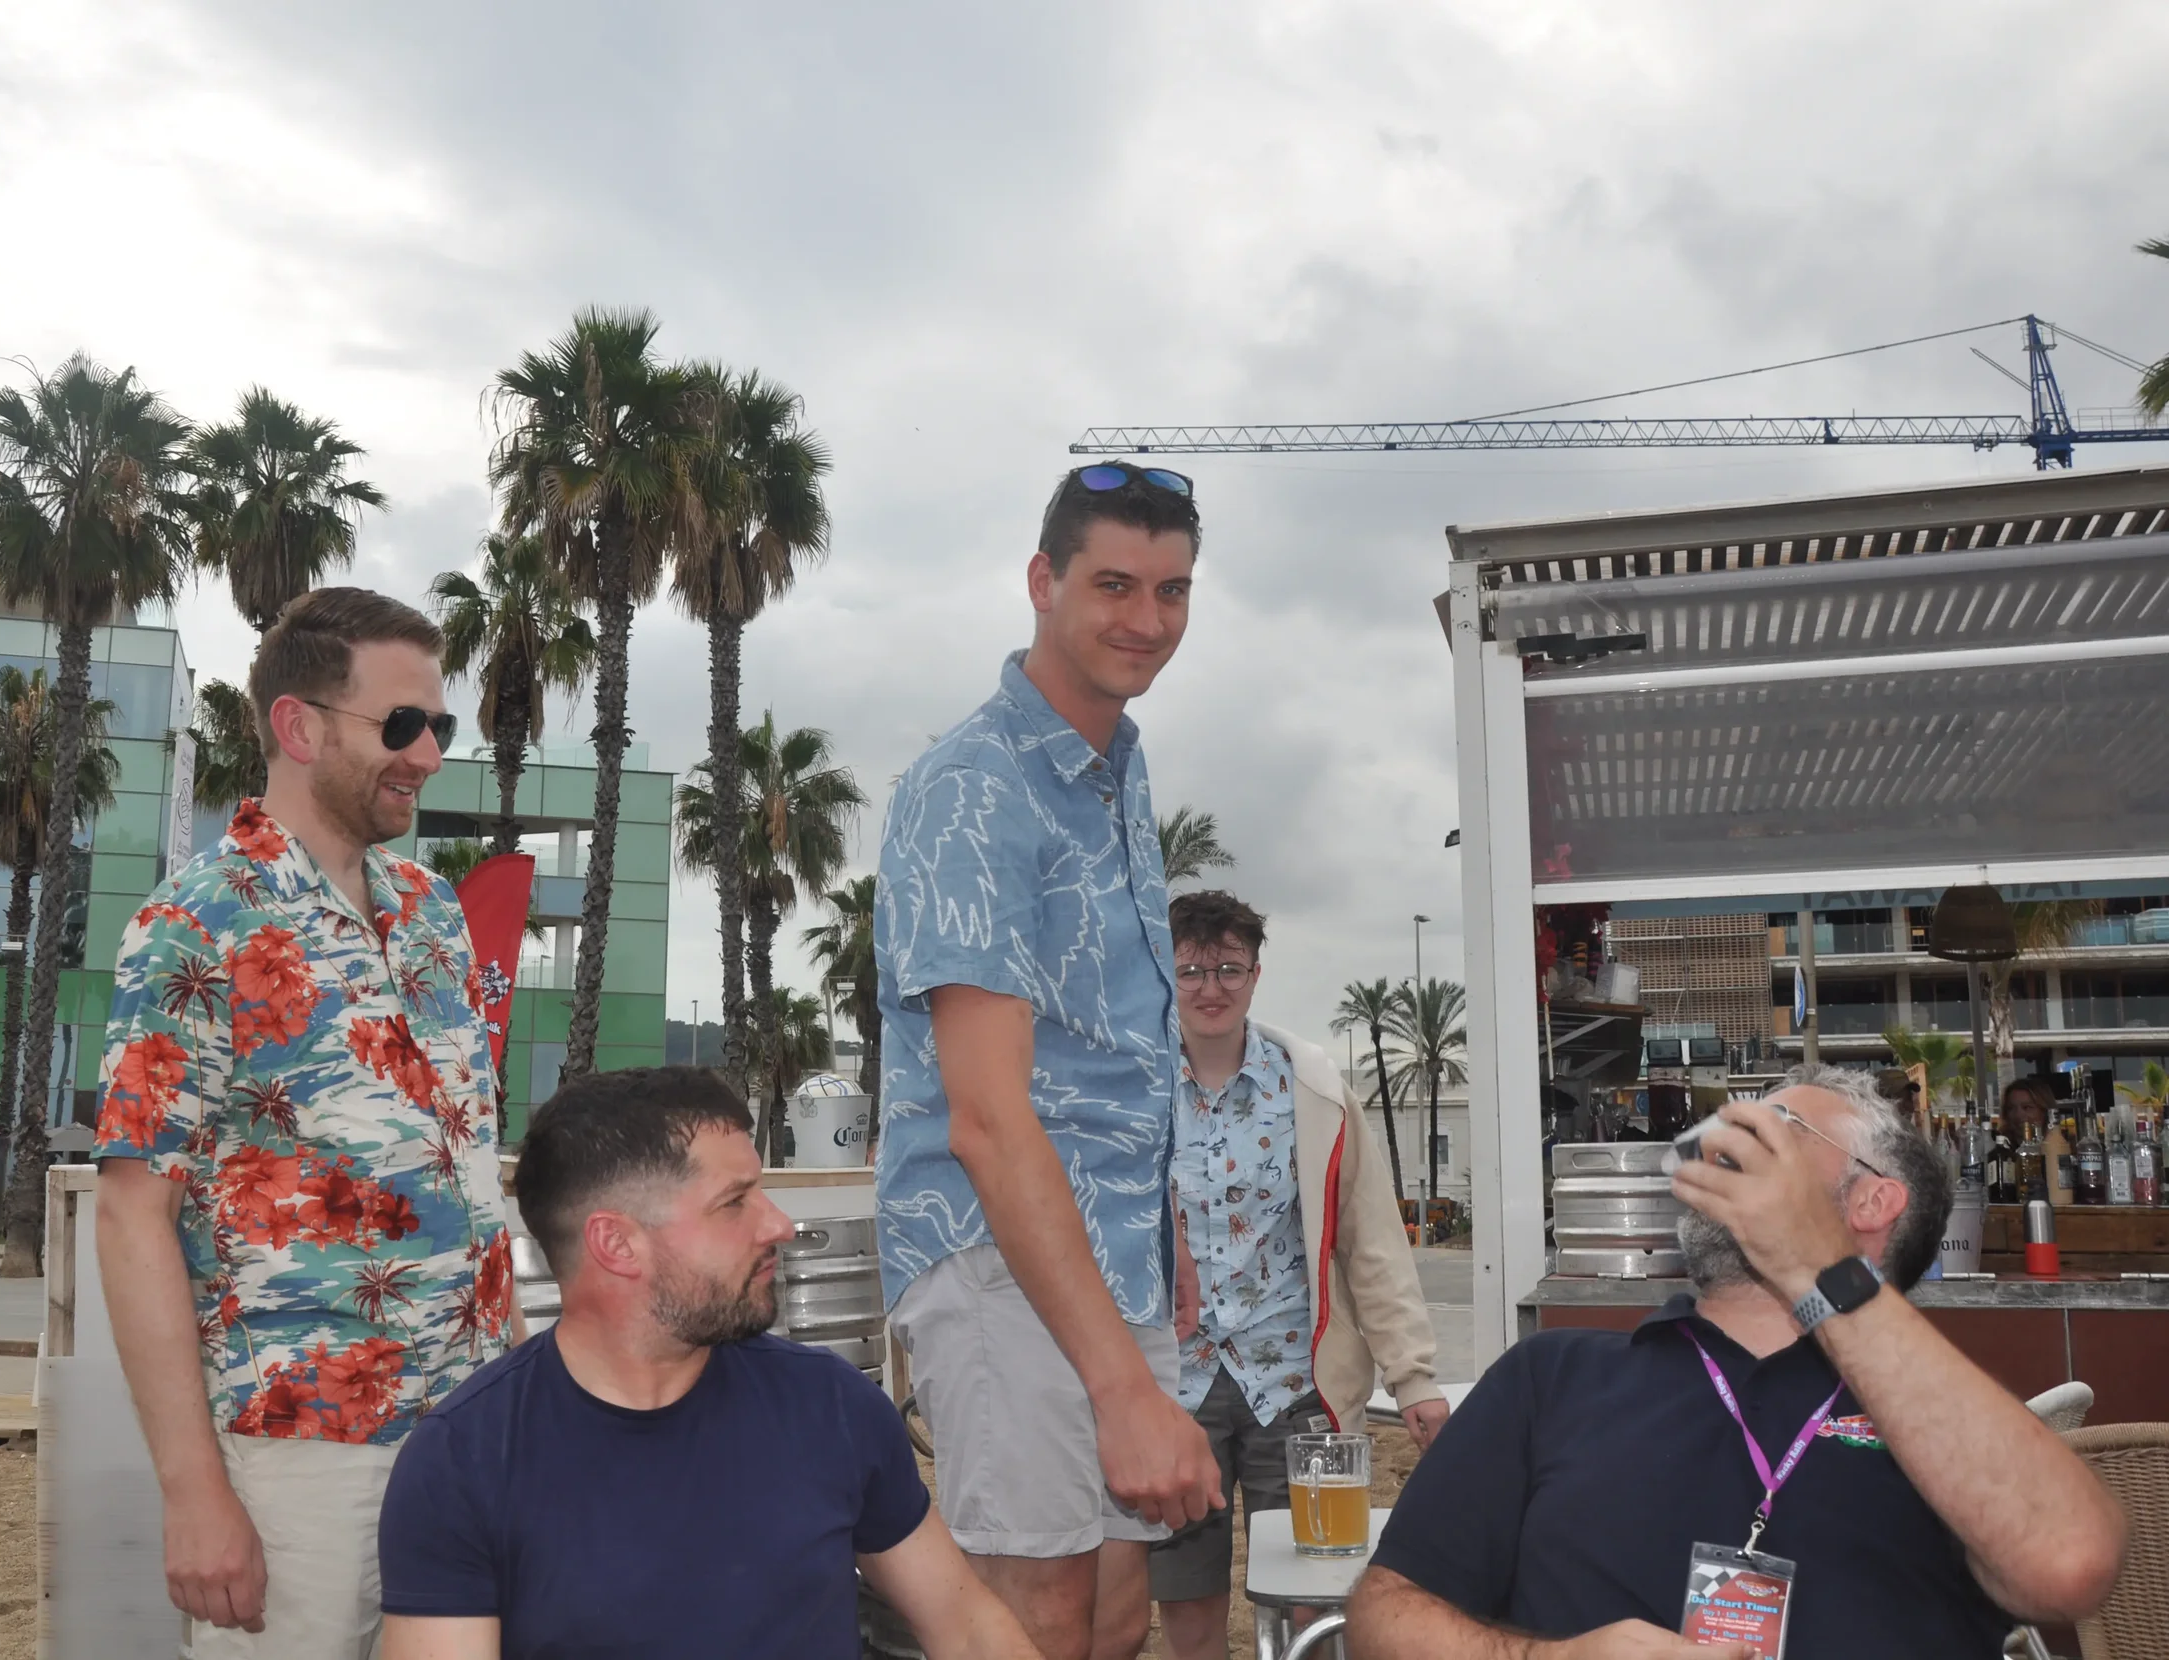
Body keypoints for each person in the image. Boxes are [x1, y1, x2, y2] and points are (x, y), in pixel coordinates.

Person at [1349, 1063, 2124, 1660]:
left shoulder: (1940, 1417)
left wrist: (1820, 1275)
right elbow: (1381, 1617)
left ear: (1871, 1204)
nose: (1720, 1142)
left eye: (1775, 1129)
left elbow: (2071, 1564)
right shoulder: (1553, 1374)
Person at [94, 588, 515, 1659]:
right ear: (299, 725)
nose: (426, 753)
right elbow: (134, 1213)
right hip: (301, 1449)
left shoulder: (429, 909)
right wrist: (195, 1493)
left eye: (441, 727)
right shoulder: (195, 921)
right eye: (401, 725)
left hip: (474, 1426)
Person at [876, 459, 1218, 1660]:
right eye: (1114, 585)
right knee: (1035, 1624)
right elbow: (987, 1119)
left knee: (1119, 1615)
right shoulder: (975, 788)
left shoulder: (1117, 773)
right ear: (1041, 581)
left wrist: (1158, 1238)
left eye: (1172, 591)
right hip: (997, 1253)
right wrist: (1122, 1387)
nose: (1146, 620)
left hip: (1104, 1256)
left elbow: (1116, 1062)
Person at [376, 1066, 1039, 1660]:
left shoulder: (831, 1407)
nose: (778, 1224)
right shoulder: (464, 1463)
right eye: (735, 1201)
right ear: (616, 1243)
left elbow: (968, 1627)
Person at [1150, 890, 1448, 1660]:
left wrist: (1413, 1378)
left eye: (1227, 968)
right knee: (1187, 1597)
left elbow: (1372, 1242)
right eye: (1190, 970)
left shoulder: (1312, 1090)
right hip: (1172, 1388)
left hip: (1295, 1385)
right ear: (1165, 971)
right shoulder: (1133, 1092)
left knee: (1315, 1593)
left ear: (1254, 973)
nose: (1210, 987)